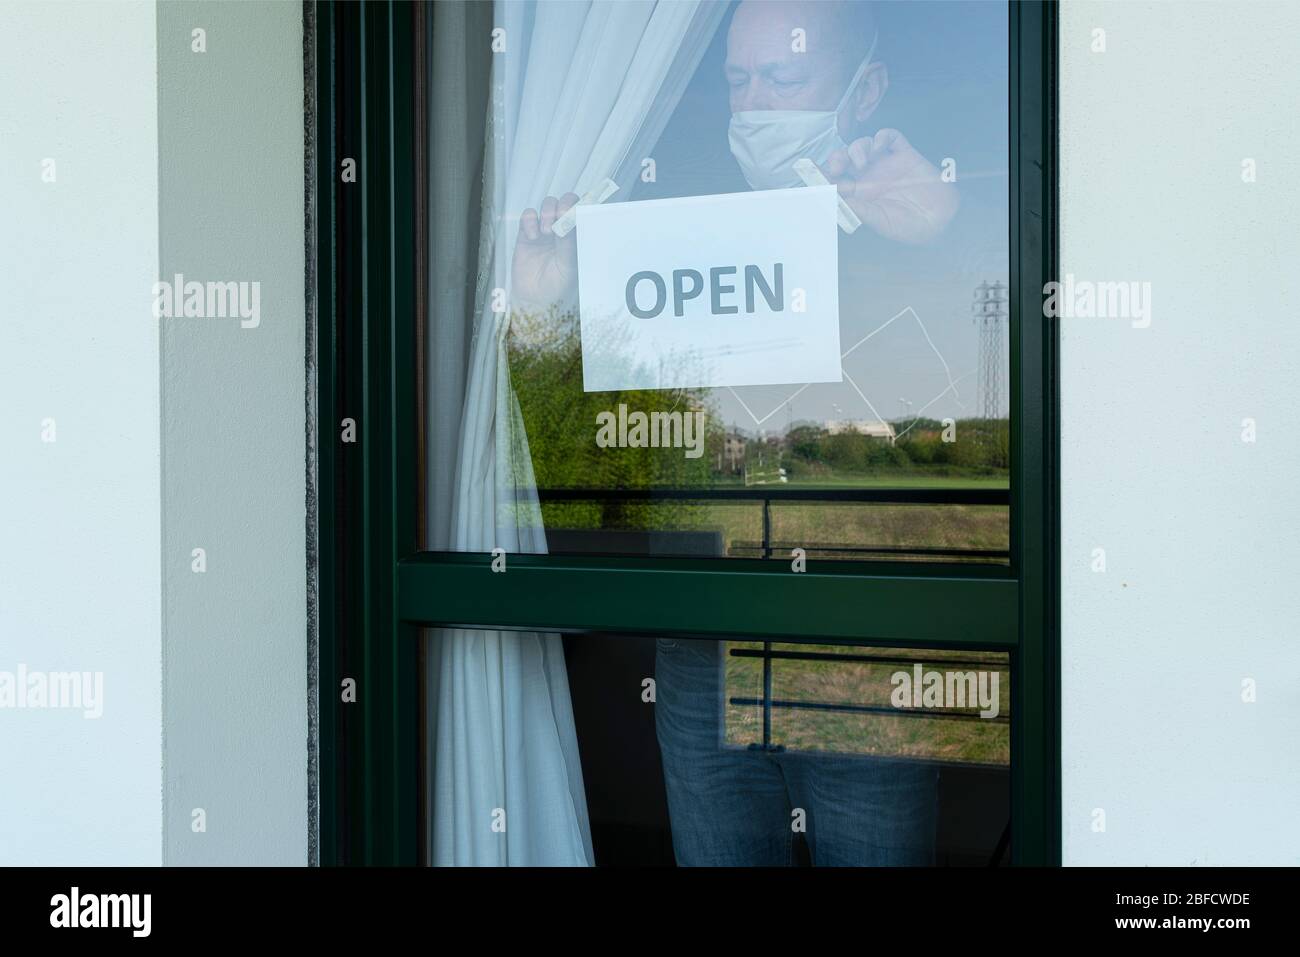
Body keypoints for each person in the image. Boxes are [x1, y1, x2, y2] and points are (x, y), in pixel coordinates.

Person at [514, 0, 946, 865]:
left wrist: (946, 234)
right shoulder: (666, 231)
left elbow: (988, 414)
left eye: (784, 79)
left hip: (865, 653)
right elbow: (577, 451)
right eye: (738, 82)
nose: (756, 108)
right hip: (703, 649)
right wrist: (540, 314)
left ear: (867, 90)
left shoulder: (918, 213)